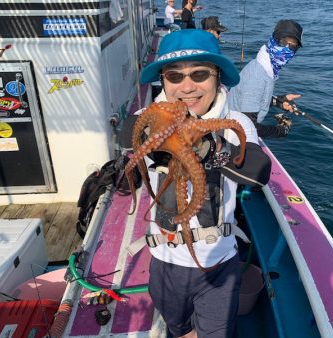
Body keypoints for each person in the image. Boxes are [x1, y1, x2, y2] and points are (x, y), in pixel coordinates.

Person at [125, 29, 271, 338]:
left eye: (200, 74)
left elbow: (258, 172)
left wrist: (209, 147)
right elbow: (125, 137)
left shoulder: (236, 124)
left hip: (218, 266)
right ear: (163, 81)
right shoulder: (147, 119)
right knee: (180, 330)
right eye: (174, 76)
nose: (187, 87)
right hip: (163, 263)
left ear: (217, 77)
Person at [228, 19, 303, 138]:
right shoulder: (257, 75)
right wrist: (280, 130)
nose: (287, 49)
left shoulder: (266, 67)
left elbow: (255, 99)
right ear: (273, 40)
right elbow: (246, 127)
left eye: (293, 46)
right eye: (283, 42)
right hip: (232, 135)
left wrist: (280, 101)